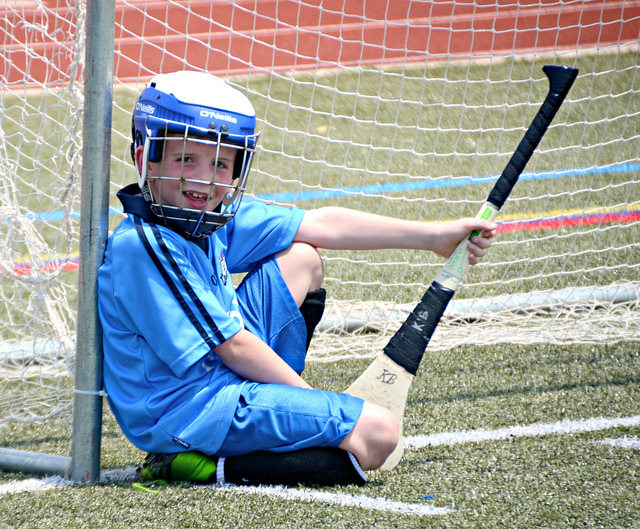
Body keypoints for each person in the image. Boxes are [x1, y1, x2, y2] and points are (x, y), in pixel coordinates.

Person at [98, 71, 495, 487]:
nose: (203, 179)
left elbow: (320, 224)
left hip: (221, 375)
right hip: (187, 411)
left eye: (219, 163)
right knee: (379, 435)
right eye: (186, 160)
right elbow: (234, 347)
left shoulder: (206, 216)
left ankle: (279, 410)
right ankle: (186, 463)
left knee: (302, 258)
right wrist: (313, 398)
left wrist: (434, 237)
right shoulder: (143, 245)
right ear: (146, 158)